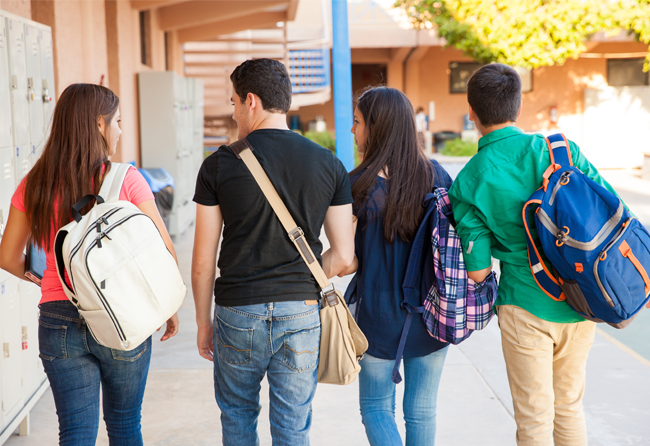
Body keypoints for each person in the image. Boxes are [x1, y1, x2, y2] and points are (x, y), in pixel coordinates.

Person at [448, 64, 623, 446]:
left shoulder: (469, 181)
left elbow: (477, 272)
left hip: (525, 305)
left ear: (472, 112)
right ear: (519, 107)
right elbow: (611, 210)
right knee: (569, 407)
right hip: (582, 301)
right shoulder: (562, 151)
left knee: (534, 418)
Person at [0, 83, 179, 445]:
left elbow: (6, 257)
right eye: (117, 121)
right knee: (126, 423)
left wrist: (43, 279)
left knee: (77, 433)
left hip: (58, 317)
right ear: (100, 124)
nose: (120, 130)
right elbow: (163, 247)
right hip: (122, 312)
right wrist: (167, 305)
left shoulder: (33, 183)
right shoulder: (126, 178)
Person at [191, 58, 354, 446]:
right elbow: (344, 256)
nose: (232, 115)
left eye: (232, 104)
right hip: (300, 311)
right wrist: (302, 275)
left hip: (237, 311)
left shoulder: (217, 166)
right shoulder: (329, 164)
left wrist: (203, 324)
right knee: (293, 426)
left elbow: (202, 264)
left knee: (237, 417)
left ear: (251, 101)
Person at [339, 86, 452, 446]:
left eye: (357, 123)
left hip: (375, 317)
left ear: (377, 127)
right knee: (422, 410)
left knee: (375, 407)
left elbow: (347, 260)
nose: (352, 131)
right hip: (433, 315)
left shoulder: (357, 186)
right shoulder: (438, 178)